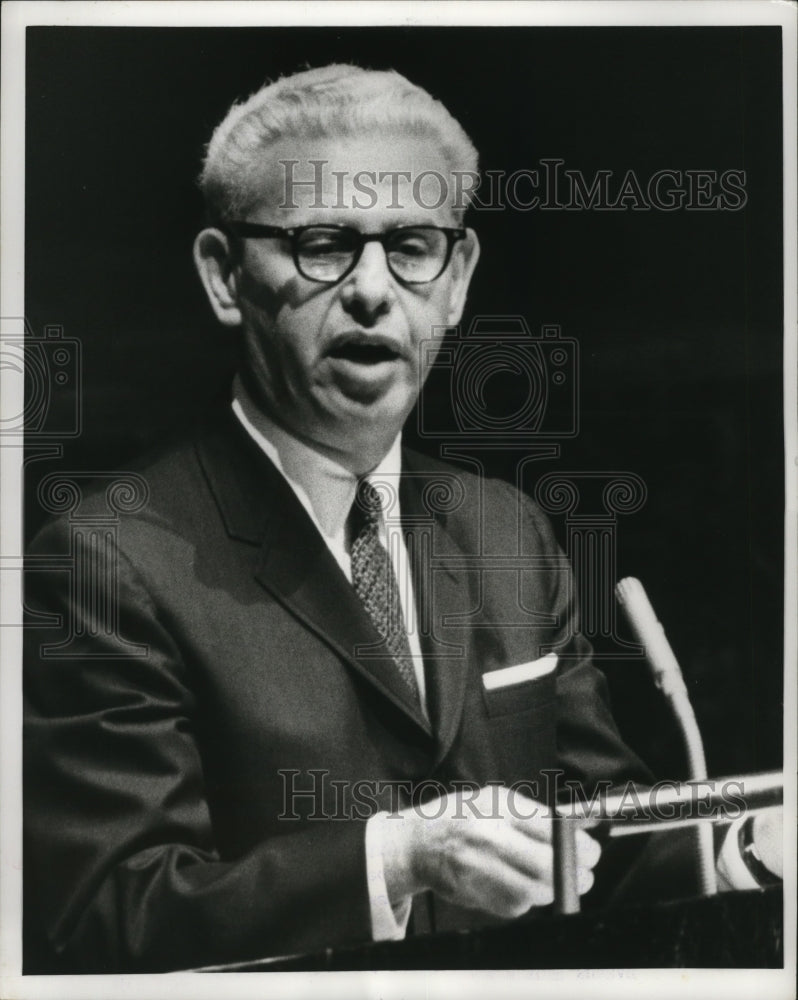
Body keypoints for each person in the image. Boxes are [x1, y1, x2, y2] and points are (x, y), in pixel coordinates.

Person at [22, 64, 780, 974]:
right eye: (324, 244)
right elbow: (106, 919)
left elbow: (592, 844)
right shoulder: (111, 557)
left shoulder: (509, 531)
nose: (374, 290)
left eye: (412, 245)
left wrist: (746, 849)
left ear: (455, 282)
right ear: (225, 277)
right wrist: (395, 859)